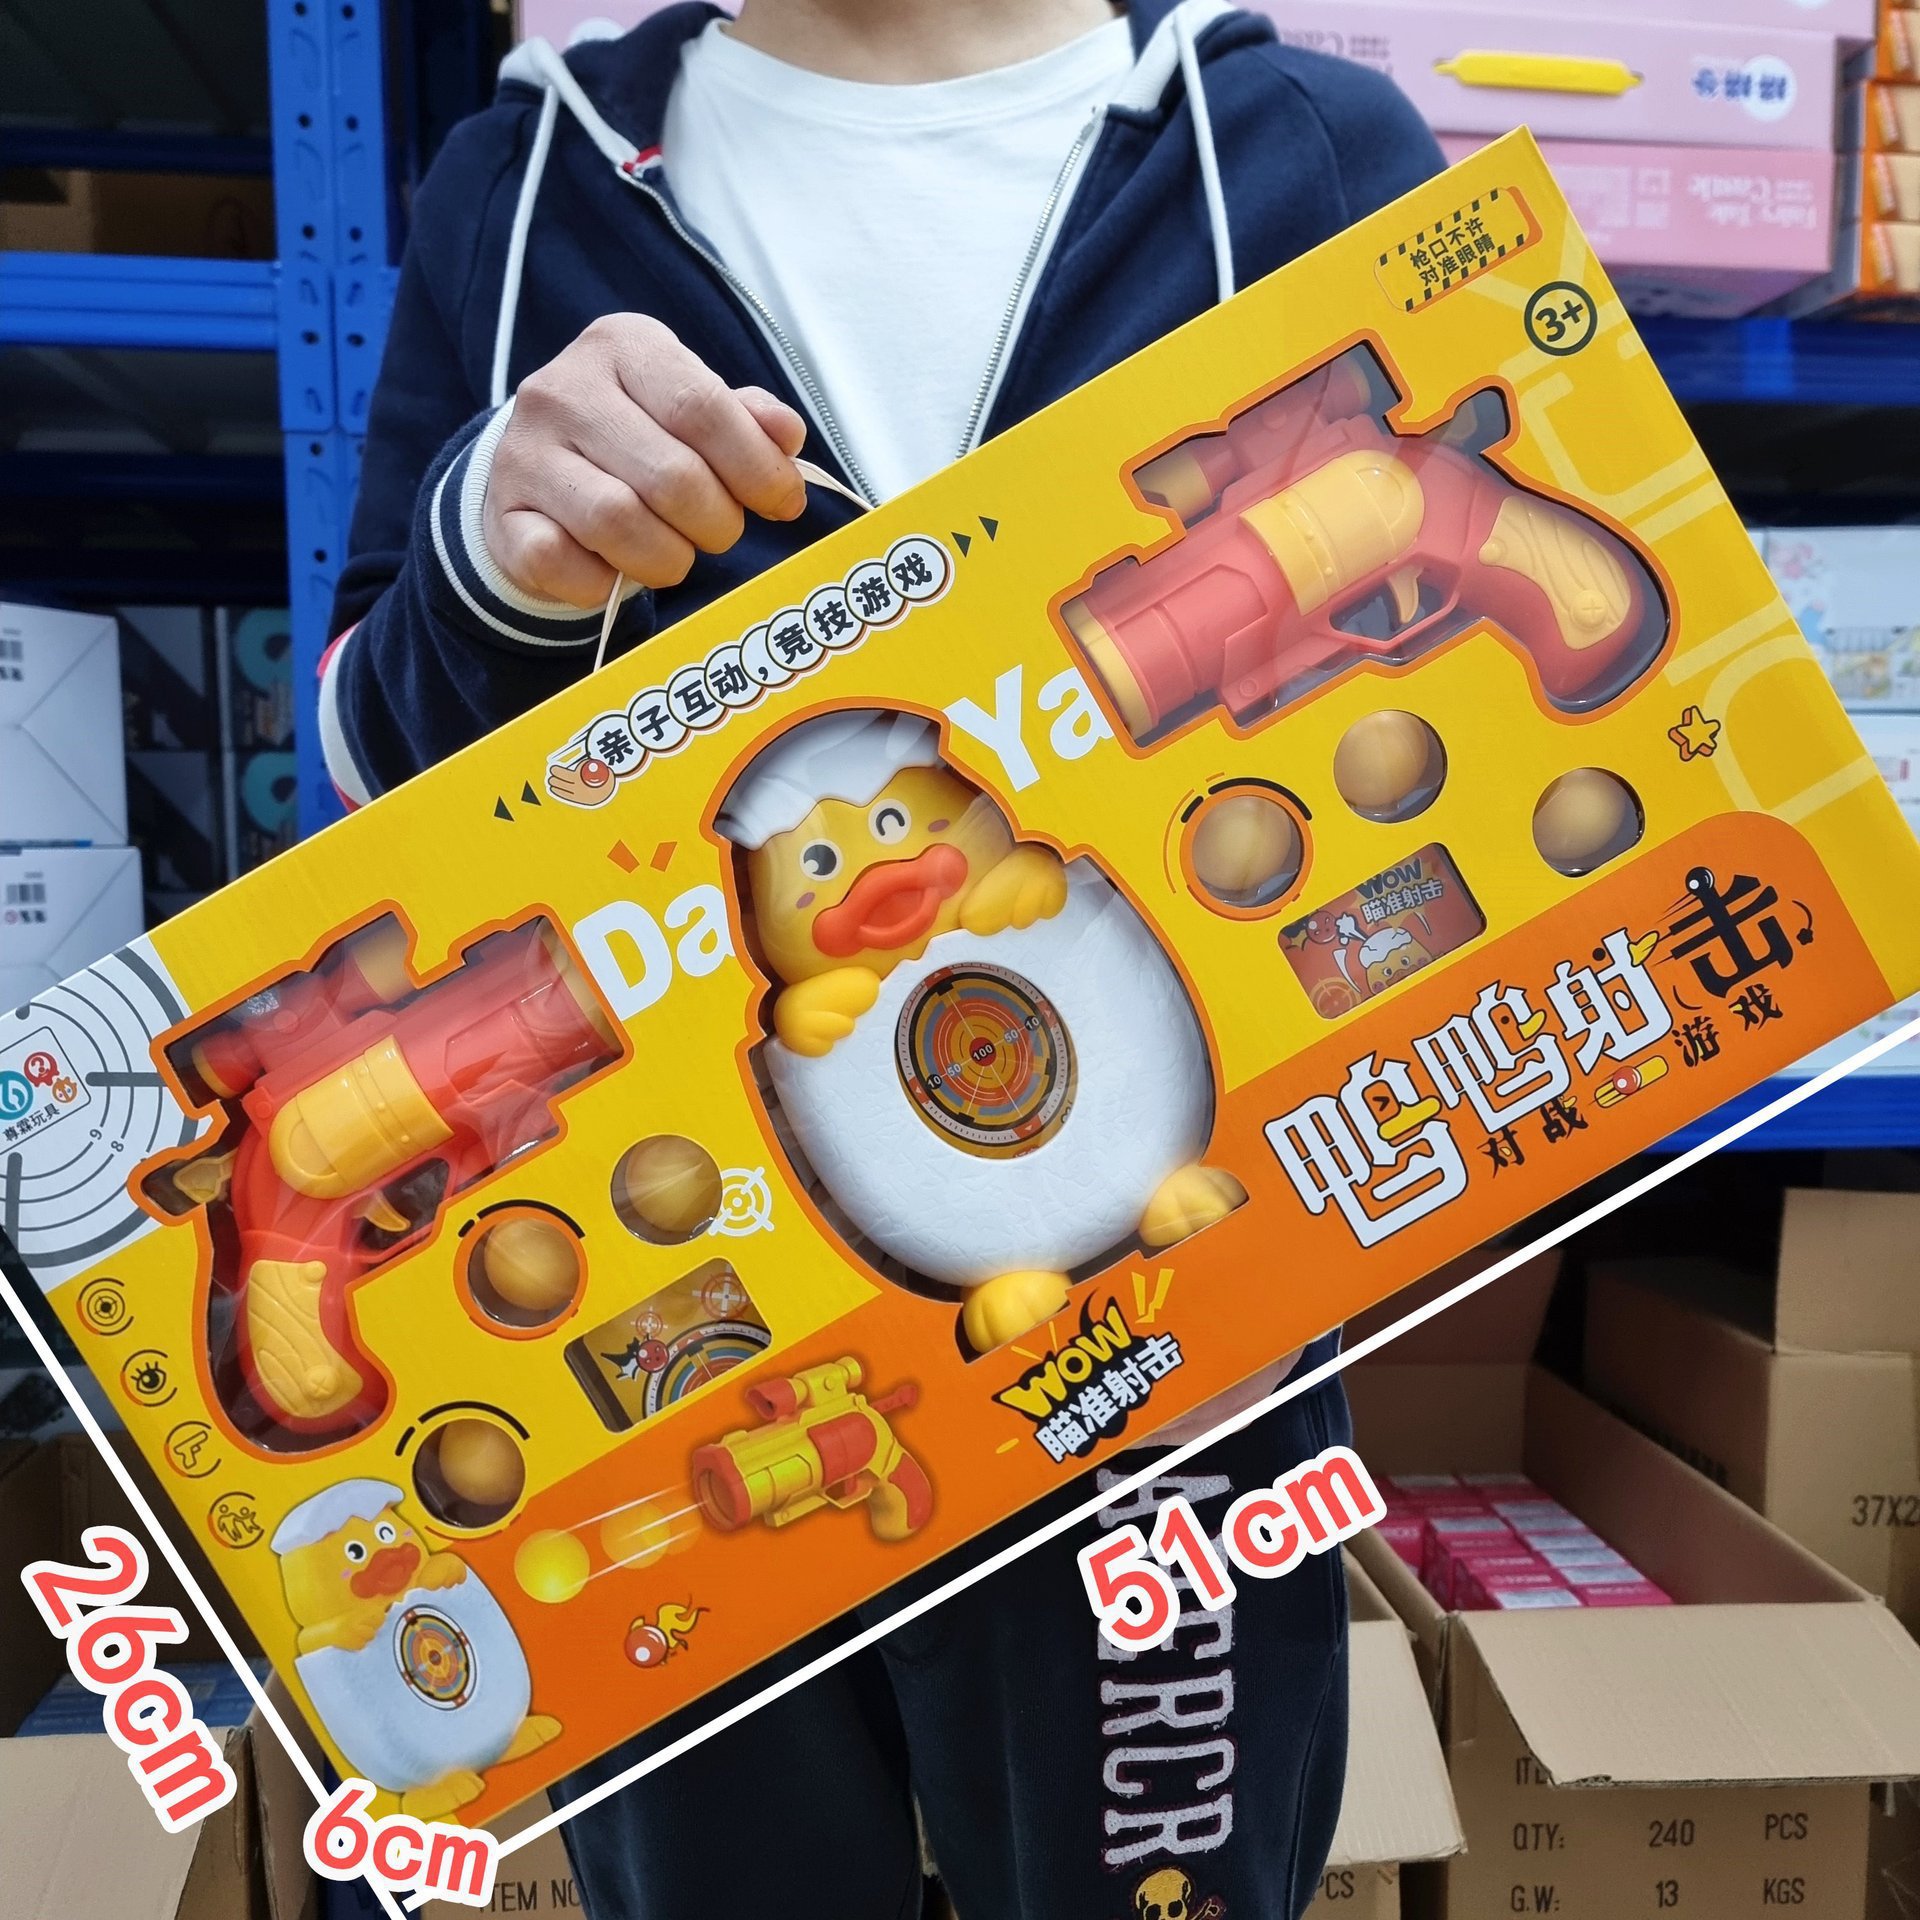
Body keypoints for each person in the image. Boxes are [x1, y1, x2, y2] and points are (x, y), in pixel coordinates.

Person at [324, 3, 1442, 1913]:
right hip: (705, 1343)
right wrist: (494, 558)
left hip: (1173, 1329)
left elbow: (1473, 766)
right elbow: (367, 787)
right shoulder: (520, 182)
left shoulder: (1297, 147)